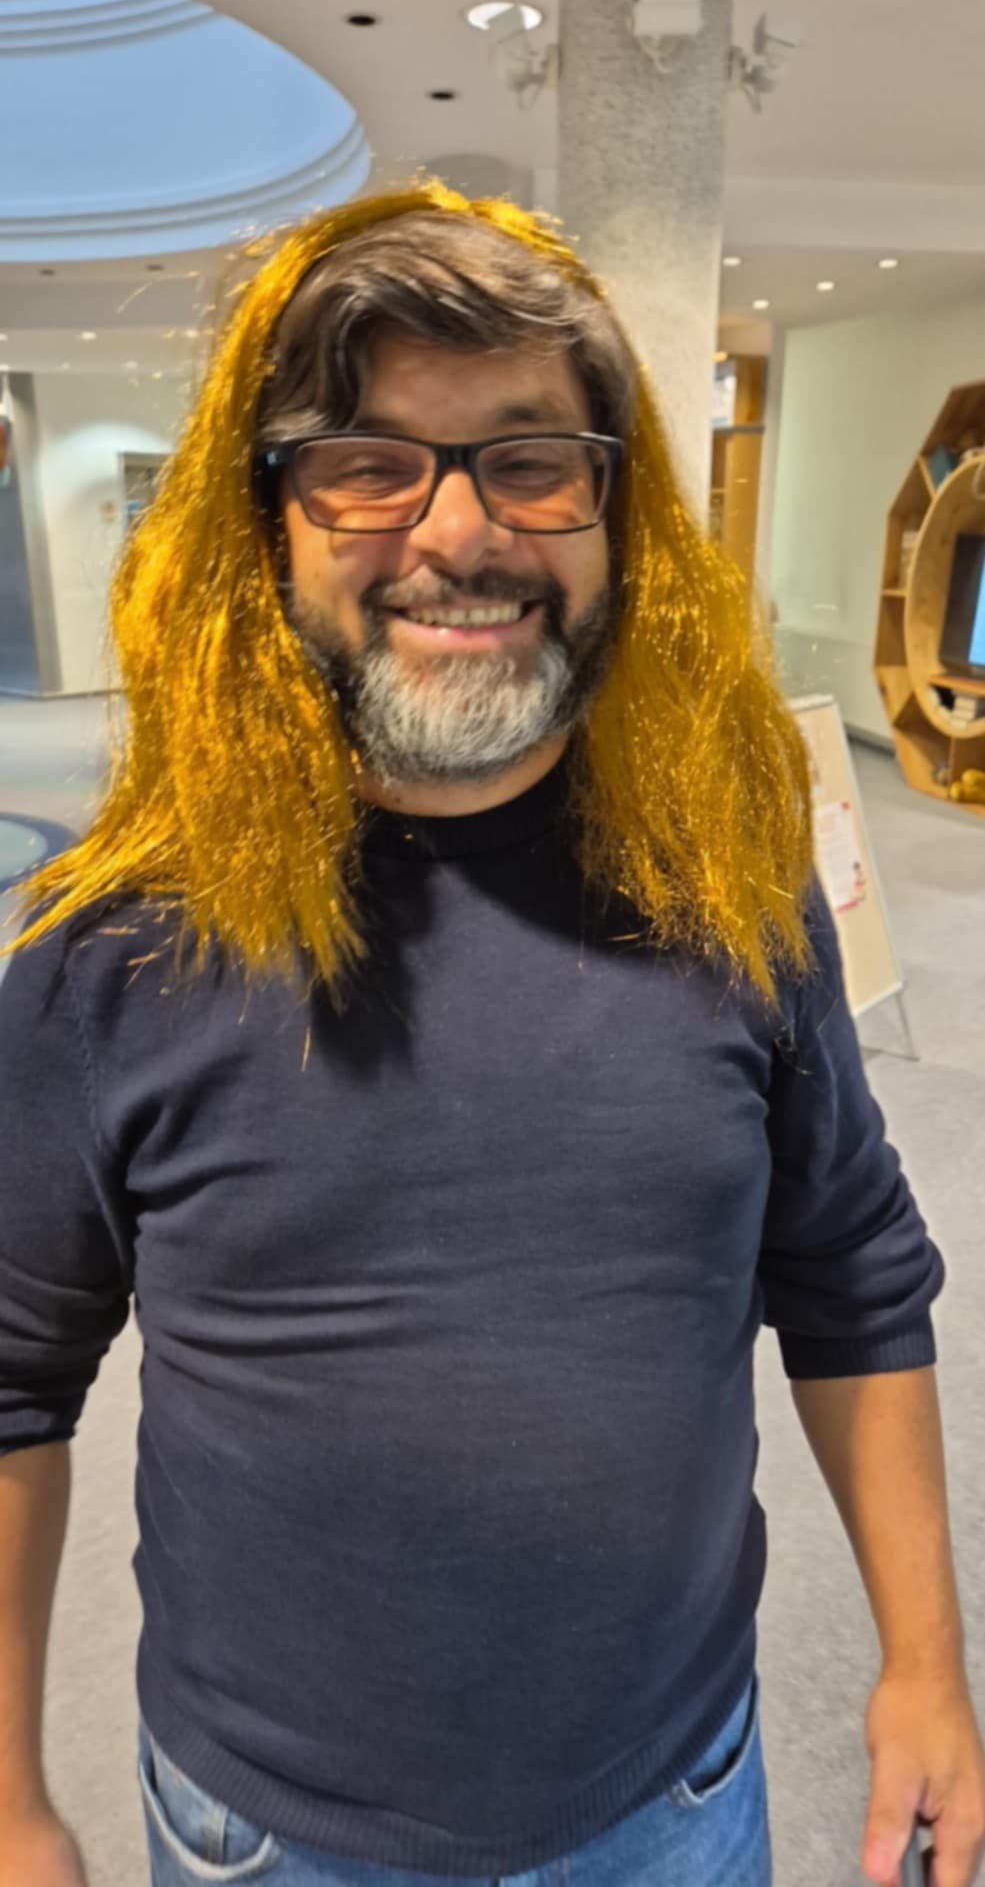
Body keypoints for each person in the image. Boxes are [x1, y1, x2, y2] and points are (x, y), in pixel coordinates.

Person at [0, 182, 982, 1887]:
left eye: (531, 460)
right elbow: (12, 1380)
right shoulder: (116, 948)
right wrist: (9, 1803)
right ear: (264, 524)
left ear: (616, 515)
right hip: (267, 1832)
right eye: (367, 464)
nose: (459, 534)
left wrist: (922, 1664)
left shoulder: (727, 888)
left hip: (677, 1794)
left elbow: (852, 1278)